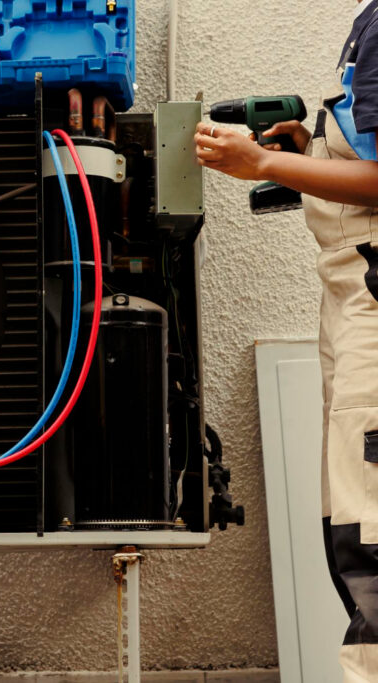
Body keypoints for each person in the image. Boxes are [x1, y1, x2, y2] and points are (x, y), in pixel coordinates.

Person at [194, 2, 378, 679]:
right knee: (350, 525)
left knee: (373, 539)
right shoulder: (369, 21)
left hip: (374, 299)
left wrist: (258, 164)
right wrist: (310, 147)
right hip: (352, 293)